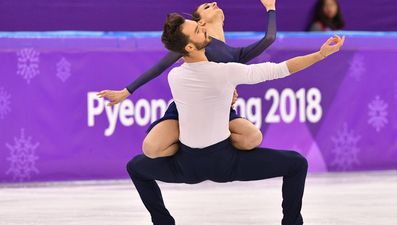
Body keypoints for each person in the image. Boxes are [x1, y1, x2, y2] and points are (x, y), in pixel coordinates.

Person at [126, 12, 345, 225]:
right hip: (226, 162)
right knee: (296, 164)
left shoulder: (175, 77)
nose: (203, 28)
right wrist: (321, 55)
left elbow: (194, 94)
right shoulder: (225, 72)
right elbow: (279, 69)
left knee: (136, 167)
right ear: (190, 47)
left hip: (186, 165)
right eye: (198, 30)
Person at [98, 1, 278, 158]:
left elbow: (269, 38)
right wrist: (127, 91)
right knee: (151, 149)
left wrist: (270, 8)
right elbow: (160, 67)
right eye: (207, 6)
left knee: (252, 138)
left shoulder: (234, 54)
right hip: (185, 111)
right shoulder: (193, 44)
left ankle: (211, 151)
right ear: (200, 22)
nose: (214, 3)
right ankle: (189, 152)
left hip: (218, 113)